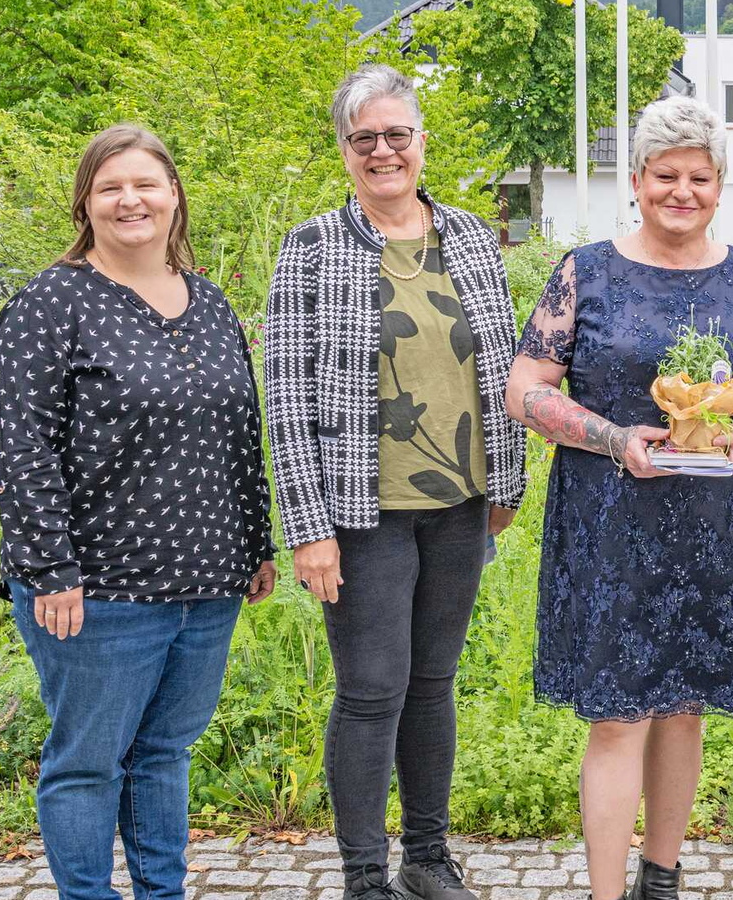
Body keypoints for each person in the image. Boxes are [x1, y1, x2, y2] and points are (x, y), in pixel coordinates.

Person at [505, 95, 733, 900]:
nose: (682, 190)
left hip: (713, 519)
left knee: (685, 708)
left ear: (719, 183)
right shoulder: (585, 272)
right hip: (610, 521)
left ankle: (660, 879)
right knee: (619, 715)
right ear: (635, 180)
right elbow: (525, 388)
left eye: (699, 177)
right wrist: (612, 438)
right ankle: (607, 894)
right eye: (665, 175)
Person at [0, 123, 277, 900]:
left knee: (164, 754)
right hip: (95, 592)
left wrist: (256, 542)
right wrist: (50, 570)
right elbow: (24, 452)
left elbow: (238, 431)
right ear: (85, 202)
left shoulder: (210, 302)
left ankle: (163, 893)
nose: (130, 200)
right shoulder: (51, 305)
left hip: (206, 583)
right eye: (110, 186)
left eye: (146, 183)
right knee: (87, 764)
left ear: (175, 195)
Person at [264, 64, 527, 900]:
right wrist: (308, 527)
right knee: (372, 690)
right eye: (364, 137)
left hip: (460, 506)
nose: (384, 151)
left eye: (397, 135)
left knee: (433, 685)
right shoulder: (312, 246)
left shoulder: (469, 237)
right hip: (361, 513)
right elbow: (287, 395)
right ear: (345, 151)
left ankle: (425, 857)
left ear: (421, 143)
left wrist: (508, 481)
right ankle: (364, 876)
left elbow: (505, 364)